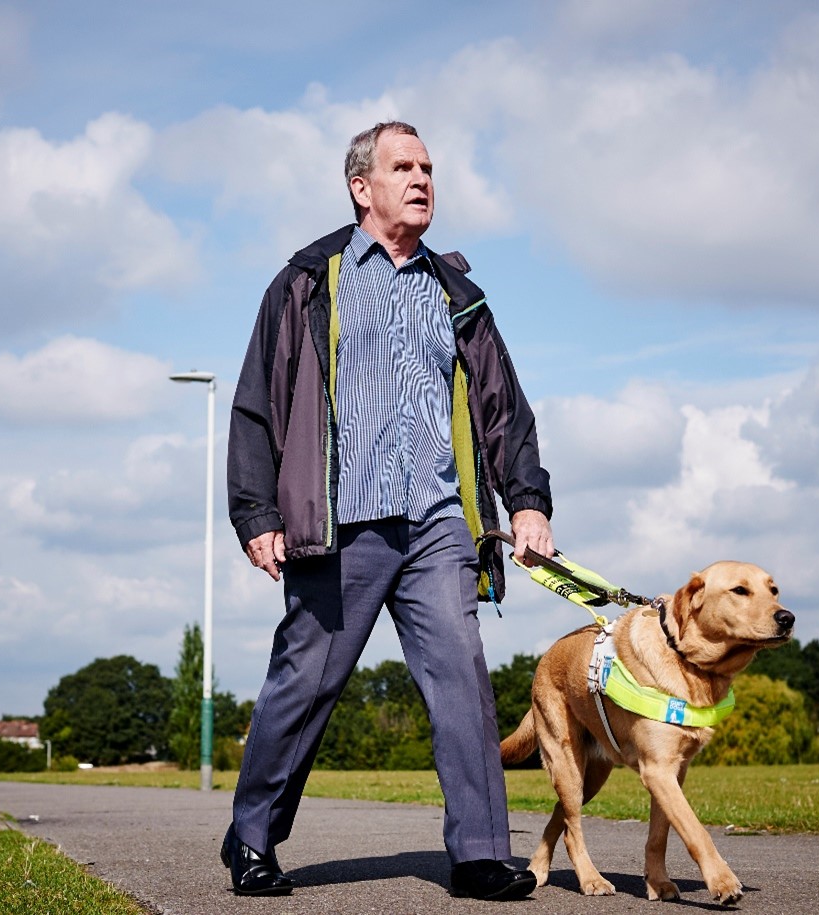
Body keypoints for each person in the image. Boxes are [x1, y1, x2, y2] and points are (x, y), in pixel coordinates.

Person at [224, 121, 554, 901]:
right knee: (303, 683)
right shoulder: (308, 280)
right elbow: (256, 406)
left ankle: (477, 852)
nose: (421, 178)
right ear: (360, 186)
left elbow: (504, 409)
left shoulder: (457, 292)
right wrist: (255, 513)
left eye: (429, 167)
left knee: (461, 682)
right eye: (402, 166)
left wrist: (528, 501)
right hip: (338, 521)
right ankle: (251, 839)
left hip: (439, 521)